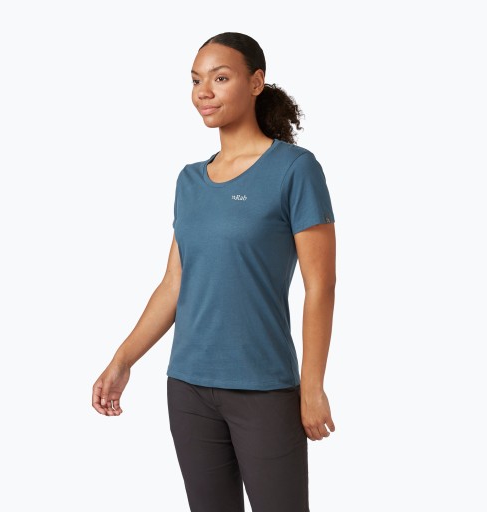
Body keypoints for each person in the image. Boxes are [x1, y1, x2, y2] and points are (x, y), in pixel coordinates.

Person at [92, 31, 336, 512]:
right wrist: (122, 360)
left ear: (256, 82)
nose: (204, 91)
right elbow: (174, 284)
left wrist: (311, 386)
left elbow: (320, 285)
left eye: (220, 78)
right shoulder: (189, 180)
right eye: (196, 80)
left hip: (264, 389)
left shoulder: (295, 170)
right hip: (188, 389)